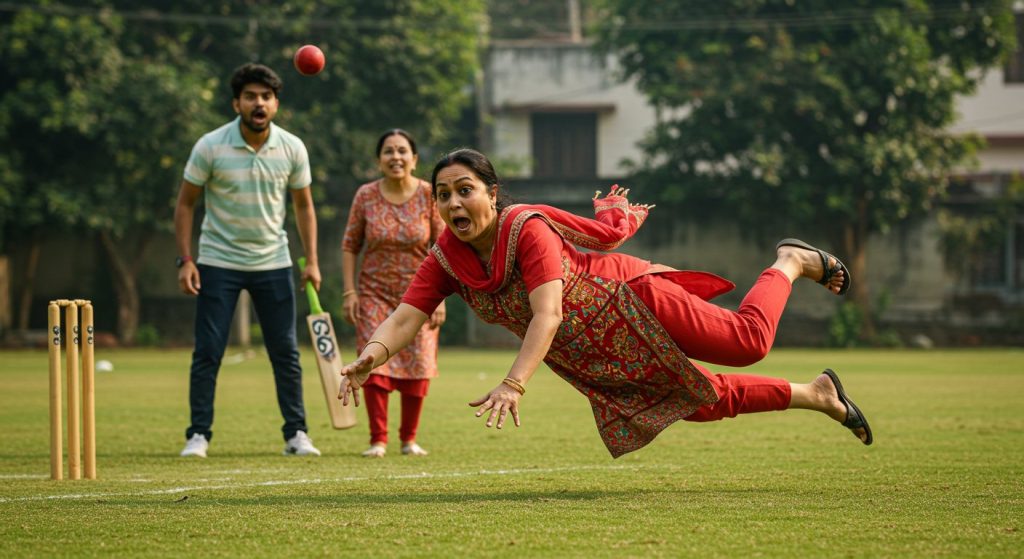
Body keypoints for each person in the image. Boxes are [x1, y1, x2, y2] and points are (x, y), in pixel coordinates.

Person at [339, 148, 873, 458]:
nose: (454, 202)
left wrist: (513, 382)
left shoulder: (526, 228)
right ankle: (818, 395)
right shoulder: (445, 258)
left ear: (492, 193)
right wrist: (373, 354)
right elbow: (407, 315)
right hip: (592, 355)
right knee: (699, 402)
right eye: (444, 193)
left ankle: (789, 262)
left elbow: (548, 312)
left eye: (466, 189)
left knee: (747, 343)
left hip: (633, 303)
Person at [174, 63, 322, 458]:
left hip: (273, 261)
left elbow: (304, 207)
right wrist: (186, 259)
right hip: (218, 260)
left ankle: (296, 433)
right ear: (236, 102)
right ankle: (199, 435)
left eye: (266, 97)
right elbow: (186, 204)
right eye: (251, 96)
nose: (259, 103)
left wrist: (311, 260)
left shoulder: (292, 147)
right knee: (208, 351)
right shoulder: (210, 145)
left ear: (275, 104)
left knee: (286, 352)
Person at [340, 129, 447, 458]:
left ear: (414, 159)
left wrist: (440, 298)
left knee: (419, 362)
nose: (395, 157)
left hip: (420, 295)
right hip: (373, 292)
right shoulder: (366, 196)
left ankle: (408, 439)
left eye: (403, 151)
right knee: (373, 359)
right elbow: (349, 245)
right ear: (379, 160)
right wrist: (350, 292)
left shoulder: (430, 195)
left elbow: (444, 248)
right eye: (388, 151)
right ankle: (378, 440)